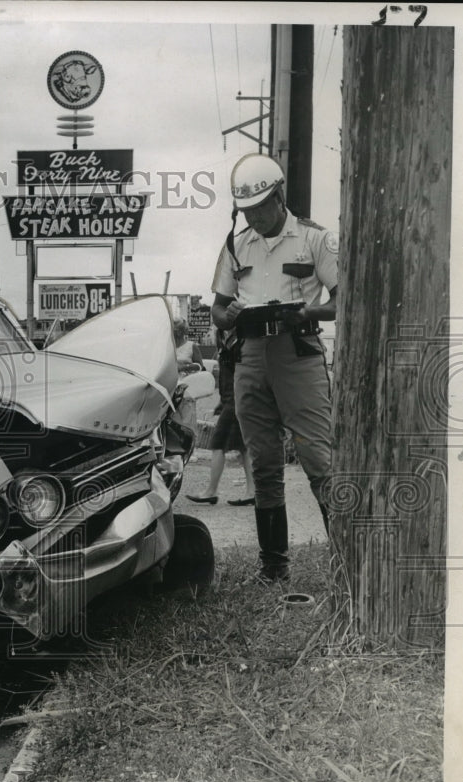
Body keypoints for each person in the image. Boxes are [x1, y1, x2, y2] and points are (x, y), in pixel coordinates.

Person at [209, 153, 337, 582]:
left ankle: (345, 561)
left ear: (279, 196)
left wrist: (309, 313)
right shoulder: (236, 244)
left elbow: (341, 301)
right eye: (246, 211)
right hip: (249, 354)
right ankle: (274, 567)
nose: (255, 218)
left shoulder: (315, 239)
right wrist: (227, 318)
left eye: (261, 208)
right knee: (262, 461)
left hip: (297, 352)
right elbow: (219, 305)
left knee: (318, 458)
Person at [186, 328, 256, 506]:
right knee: (243, 448)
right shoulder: (231, 342)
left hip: (234, 400)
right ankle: (252, 491)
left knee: (217, 444)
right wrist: (222, 401)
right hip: (233, 400)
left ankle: (211, 491)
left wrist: (226, 401)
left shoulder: (234, 343)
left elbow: (235, 375)